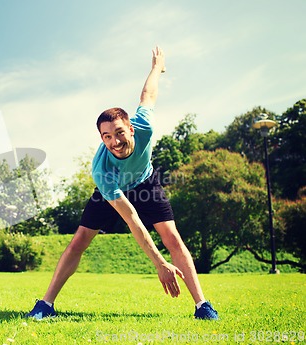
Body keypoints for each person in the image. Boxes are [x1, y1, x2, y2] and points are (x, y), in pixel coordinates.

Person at [26, 47, 219, 320]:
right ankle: (45, 304)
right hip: (115, 189)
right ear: (101, 139)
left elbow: (148, 95)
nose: (114, 141)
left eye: (118, 133)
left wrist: (157, 68)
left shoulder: (145, 127)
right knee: (79, 240)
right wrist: (159, 263)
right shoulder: (102, 170)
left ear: (131, 129)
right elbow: (133, 221)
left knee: (172, 237)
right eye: (106, 137)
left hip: (146, 182)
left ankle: (203, 306)